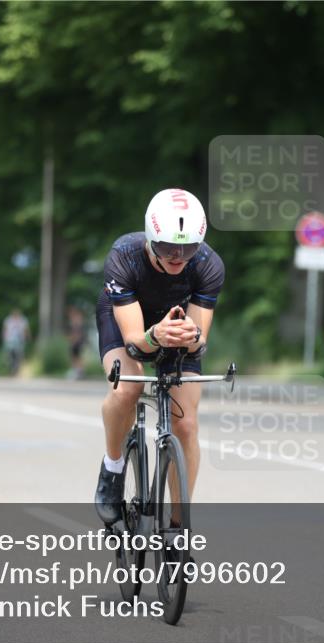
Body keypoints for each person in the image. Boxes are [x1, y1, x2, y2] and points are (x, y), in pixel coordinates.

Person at [93, 188, 224, 524]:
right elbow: (136, 344)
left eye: (188, 249)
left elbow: (199, 342)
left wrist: (193, 338)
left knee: (187, 423)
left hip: (175, 324)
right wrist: (155, 335)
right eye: (168, 247)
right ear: (151, 239)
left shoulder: (209, 265)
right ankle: (112, 469)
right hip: (128, 319)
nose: (178, 256)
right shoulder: (124, 255)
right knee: (127, 389)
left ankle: (180, 526)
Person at [2, 308, 30, 376]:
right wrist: (4, 337)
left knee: (18, 356)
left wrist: (27, 337)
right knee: (10, 357)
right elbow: (5, 330)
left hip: (20, 341)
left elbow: (26, 330)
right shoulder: (8, 320)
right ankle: (11, 370)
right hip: (10, 341)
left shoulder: (23, 320)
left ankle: (16, 371)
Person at [67, 305, 85, 380]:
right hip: (76, 341)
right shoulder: (76, 319)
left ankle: (78, 372)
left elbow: (77, 331)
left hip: (77, 341)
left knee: (76, 357)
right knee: (75, 356)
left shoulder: (76, 320)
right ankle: (78, 371)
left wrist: (75, 340)